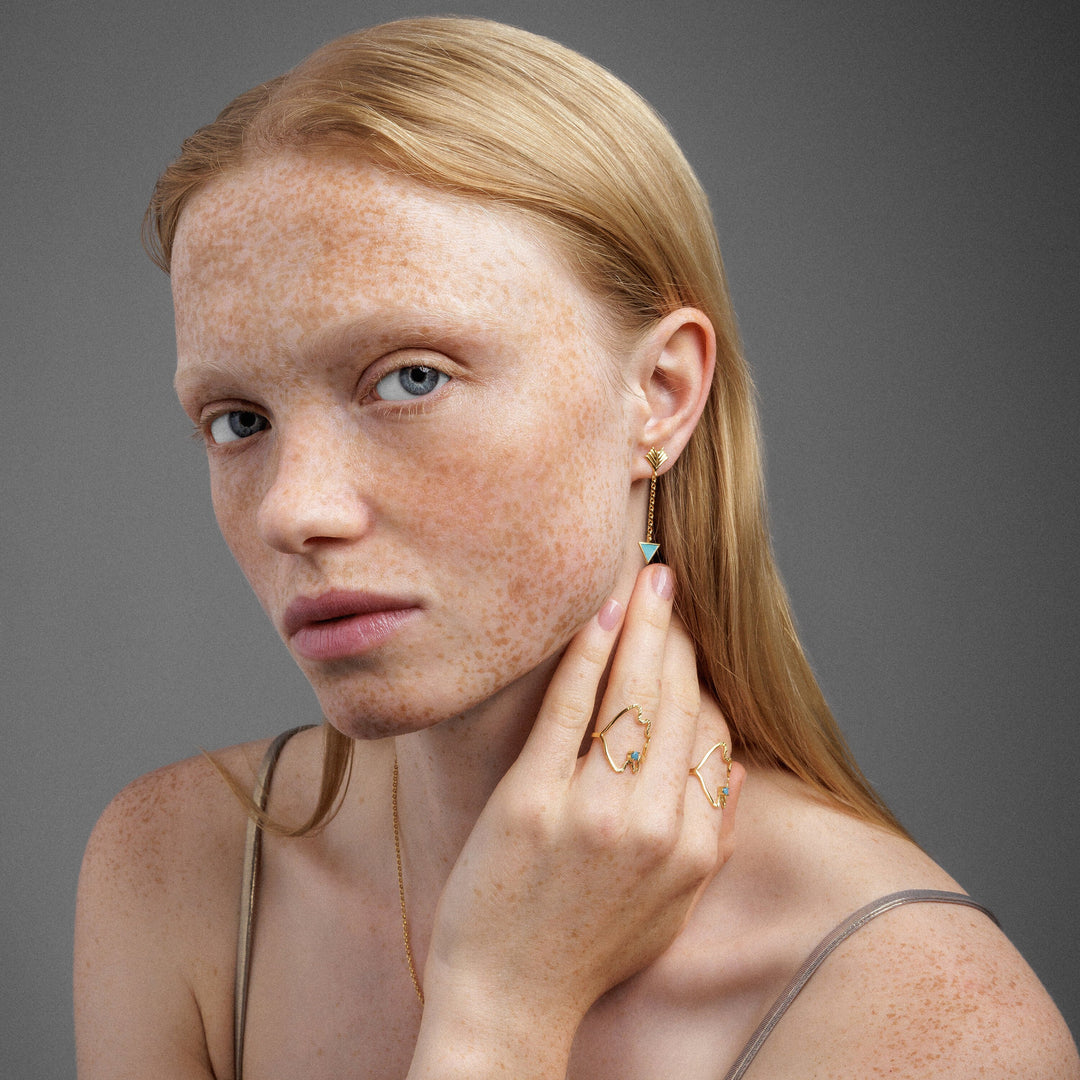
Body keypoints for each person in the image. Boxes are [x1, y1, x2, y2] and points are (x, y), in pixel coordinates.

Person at [74, 16, 1077, 1079]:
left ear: (660, 394)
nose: (292, 510)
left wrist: (500, 1011)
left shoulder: (932, 1022)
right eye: (238, 420)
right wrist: (496, 1011)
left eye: (412, 377)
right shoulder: (178, 872)